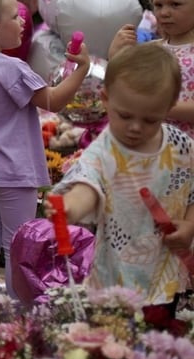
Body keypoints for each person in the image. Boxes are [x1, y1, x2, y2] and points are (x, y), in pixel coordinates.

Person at [0, 0, 89, 307]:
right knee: (18, 245)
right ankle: (18, 313)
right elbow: (54, 101)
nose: (23, 21)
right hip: (14, 171)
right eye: (15, 16)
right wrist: (82, 69)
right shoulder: (11, 68)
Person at [50, 41, 194, 312]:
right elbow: (89, 185)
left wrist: (189, 224)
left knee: (162, 346)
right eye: (124, 116)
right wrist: (70, 207)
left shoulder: (181, 145)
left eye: (150, 119)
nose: (136, 127)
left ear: (169, 108)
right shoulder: (107, 149)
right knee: (115, 345)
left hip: (168, 276)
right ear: (106, 99)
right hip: (115, 277)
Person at [109, 0, 194, 140]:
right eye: (159, 5)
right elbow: (123, 89)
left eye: (175, 4)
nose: (164, 12)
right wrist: (117, 55)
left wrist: (154, 108)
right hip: (153, 150)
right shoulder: (151, 51)